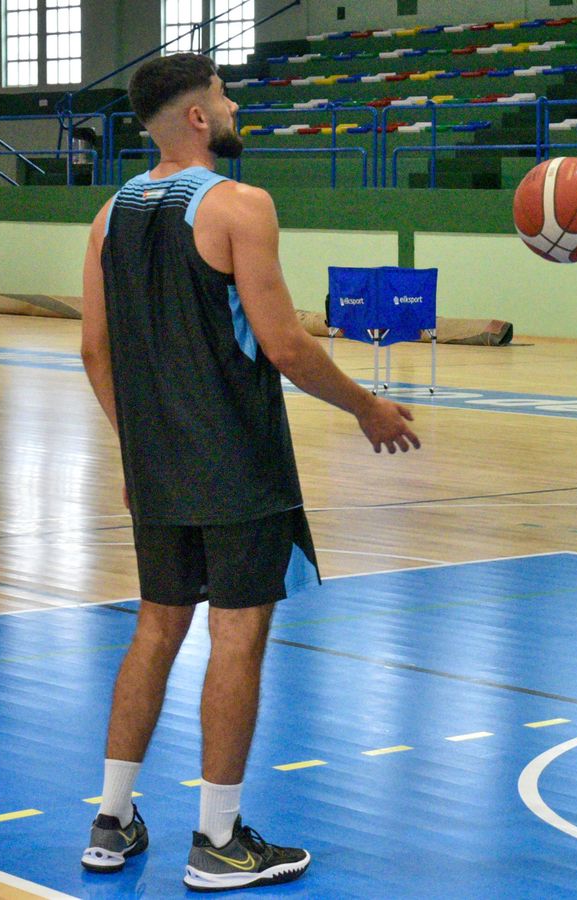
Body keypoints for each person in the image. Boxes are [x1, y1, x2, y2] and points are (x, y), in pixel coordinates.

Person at [78, 53, 420, 892]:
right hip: (236, 458)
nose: (234, 107)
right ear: (198, 116)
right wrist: (367, 407)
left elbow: (94, 351)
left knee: (156, 629)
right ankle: (219, 839)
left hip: (158, 466)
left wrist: (139, 448)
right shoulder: (240, 205)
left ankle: (111, 821)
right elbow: (286, 346)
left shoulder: (108, 216)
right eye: (224, 96)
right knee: (237, 637)